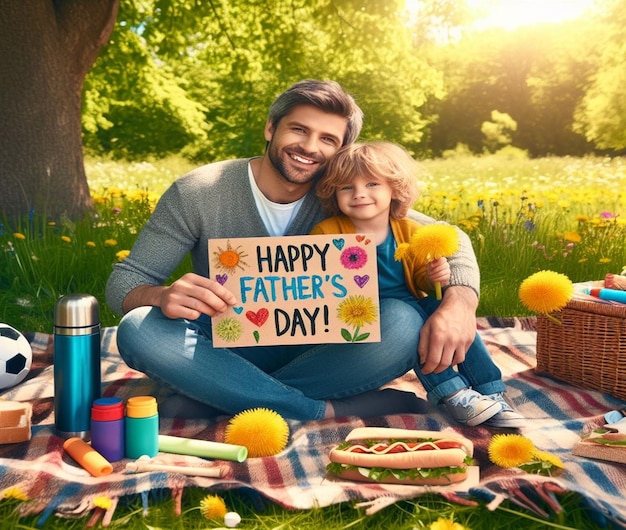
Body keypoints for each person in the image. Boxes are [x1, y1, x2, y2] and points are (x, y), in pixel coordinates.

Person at [105, 79, 483, 422]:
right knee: (139, 329)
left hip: (327, 346)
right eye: (299, 130)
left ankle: (218, 395)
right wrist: (162, 294)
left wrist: (460, 303)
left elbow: (448, 235)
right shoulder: (199, 192)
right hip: (231, 339)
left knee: (403, 319)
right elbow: (127, 280)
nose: (309, 147)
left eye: (327, 139)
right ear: (271, 128)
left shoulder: (345, 196)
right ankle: (327, 409)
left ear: (340, 150)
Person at [312, 141, 525, 428]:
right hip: (369, 316)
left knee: (442, 311)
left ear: (394, 189)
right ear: (334, 192)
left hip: (410, 302)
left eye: (372, 184)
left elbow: (421, 278)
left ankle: (490, 390)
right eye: (347, 187)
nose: (359, 193)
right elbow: (319, 277)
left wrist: (435, 275)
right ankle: (453, 393)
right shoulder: (328, 231)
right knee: (413, 326)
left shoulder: (409, 230)